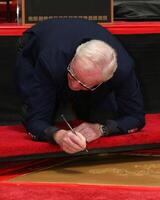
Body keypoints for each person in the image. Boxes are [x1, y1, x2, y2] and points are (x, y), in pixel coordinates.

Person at [16, 18, 145, 154]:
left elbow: (136, 117)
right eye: (72, 75)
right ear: (73, 59)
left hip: (71, 52)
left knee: (103, 117)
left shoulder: (123, 70)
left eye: (84, 84)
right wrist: (58, 136)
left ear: (104, 80)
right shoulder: (51, 60)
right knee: (35, 115)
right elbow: (36, 120)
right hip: (38, 41)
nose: (74, 86)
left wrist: (102, 129)